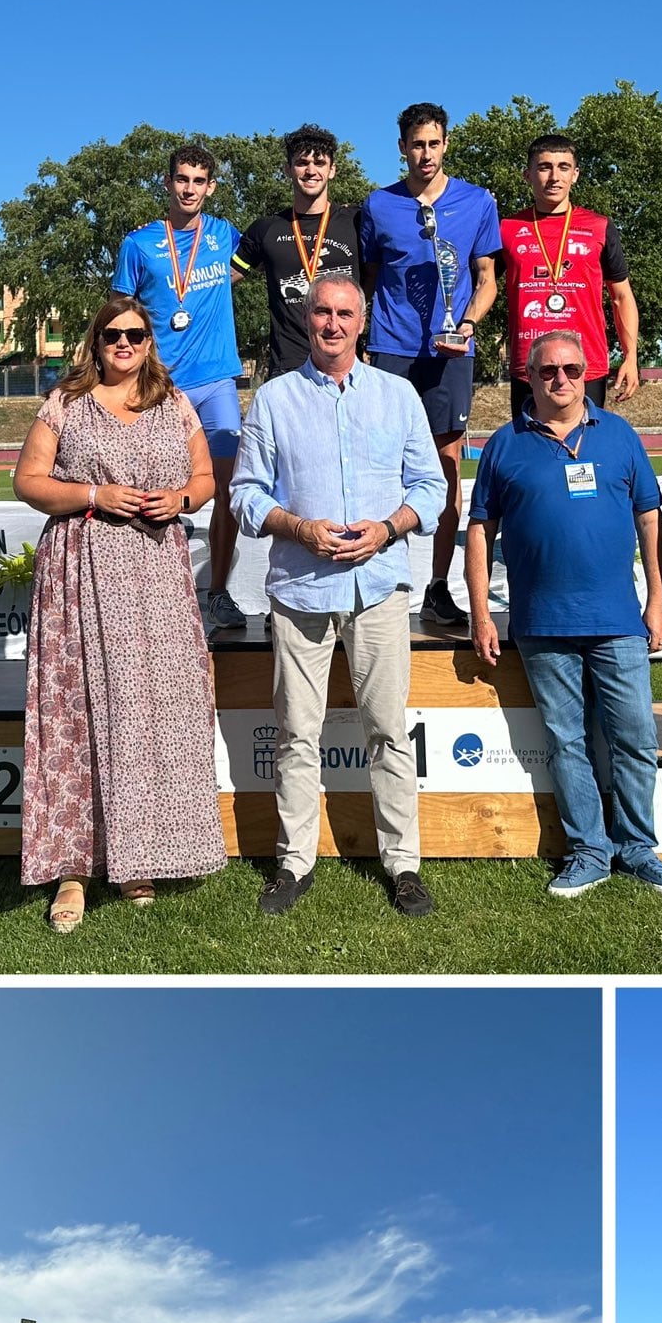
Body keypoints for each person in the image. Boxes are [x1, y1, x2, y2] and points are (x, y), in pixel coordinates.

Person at [232, 271, 447, 919]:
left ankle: (403, 865)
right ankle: (294, 864)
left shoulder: (398, 397)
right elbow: (244, 493)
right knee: (298, 733)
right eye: (321, 312)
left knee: (387, 731)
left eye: (343, 313)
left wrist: (387, 529)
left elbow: (430, 490)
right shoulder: (272, 400)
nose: (331, 323)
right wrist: (297, 527)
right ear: (309, 318)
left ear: (362, 321)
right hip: (301, 591)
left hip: (379, 589)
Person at [10, 294, 225, 933]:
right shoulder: (65, 404)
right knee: (76, 712)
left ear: (149, 341)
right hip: (80, 570)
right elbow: (26, 480)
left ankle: (143, 856)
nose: (124, 344)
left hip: (156, 576)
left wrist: (182, 497)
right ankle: (74, 869)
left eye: (134, 334)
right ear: (95, 342)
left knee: (153, 709)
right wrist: (92, 494)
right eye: (112, 335)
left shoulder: (176, 404)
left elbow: (207, 477)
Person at [467, 328, 662, 900]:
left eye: (570, 369)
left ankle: (638, 846)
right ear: (529, 377)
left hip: (618, 621)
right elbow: (480, 530)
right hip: (542, 623)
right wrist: (479, 614)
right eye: (547, 371)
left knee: (635, 737)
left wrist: (657, 601)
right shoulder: (504, 444)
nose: (559, 379)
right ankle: (589, 850)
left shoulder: (618, 435)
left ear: (586, 372)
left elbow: (648, 522)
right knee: (567, 742)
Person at [360, 103, 500, 631]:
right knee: (380, 466)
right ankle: (377, 585)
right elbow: (371, 281)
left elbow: (486, 279)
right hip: (393, 350)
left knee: (444, 468)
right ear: (402, 148)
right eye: (416, 144)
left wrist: (464, 327)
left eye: (434, 144)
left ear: (446, 145)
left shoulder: (476, 201)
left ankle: (438, 587)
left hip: (450, 353)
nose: (425, 153)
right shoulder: (379, 205)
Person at [114, 144, 248, 631]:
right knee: (149, 488)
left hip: (216, 382)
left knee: (229, 484)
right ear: (168, 183)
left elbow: (259, 266)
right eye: (182, 179)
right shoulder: (139, 244)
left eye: (200, 181)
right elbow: (119, 317)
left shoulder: (225, 235)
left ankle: (218, 593)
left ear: (210, 187)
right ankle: (149, 597)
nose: (190, 188)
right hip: (160, 387)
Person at [495, 134, 641, 421]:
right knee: (534, 456)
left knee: (586, 455)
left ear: (575, 175)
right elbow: (482, 285)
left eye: (563, 167)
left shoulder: (599, 226)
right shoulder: (506, 228)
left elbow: (621, 296)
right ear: (528, 174)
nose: (554, 177)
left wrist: (631, 356)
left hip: (586, 365)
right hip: (530, 366)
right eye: (544, 167)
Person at [233, 125, 363, 382]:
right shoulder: (266, 229)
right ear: (287, 169)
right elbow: (219, 278)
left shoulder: (358, 222)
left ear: (332, 170)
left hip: (345, 366)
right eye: (302, 162)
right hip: (288, 367)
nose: (311, 170)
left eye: (319, 162)